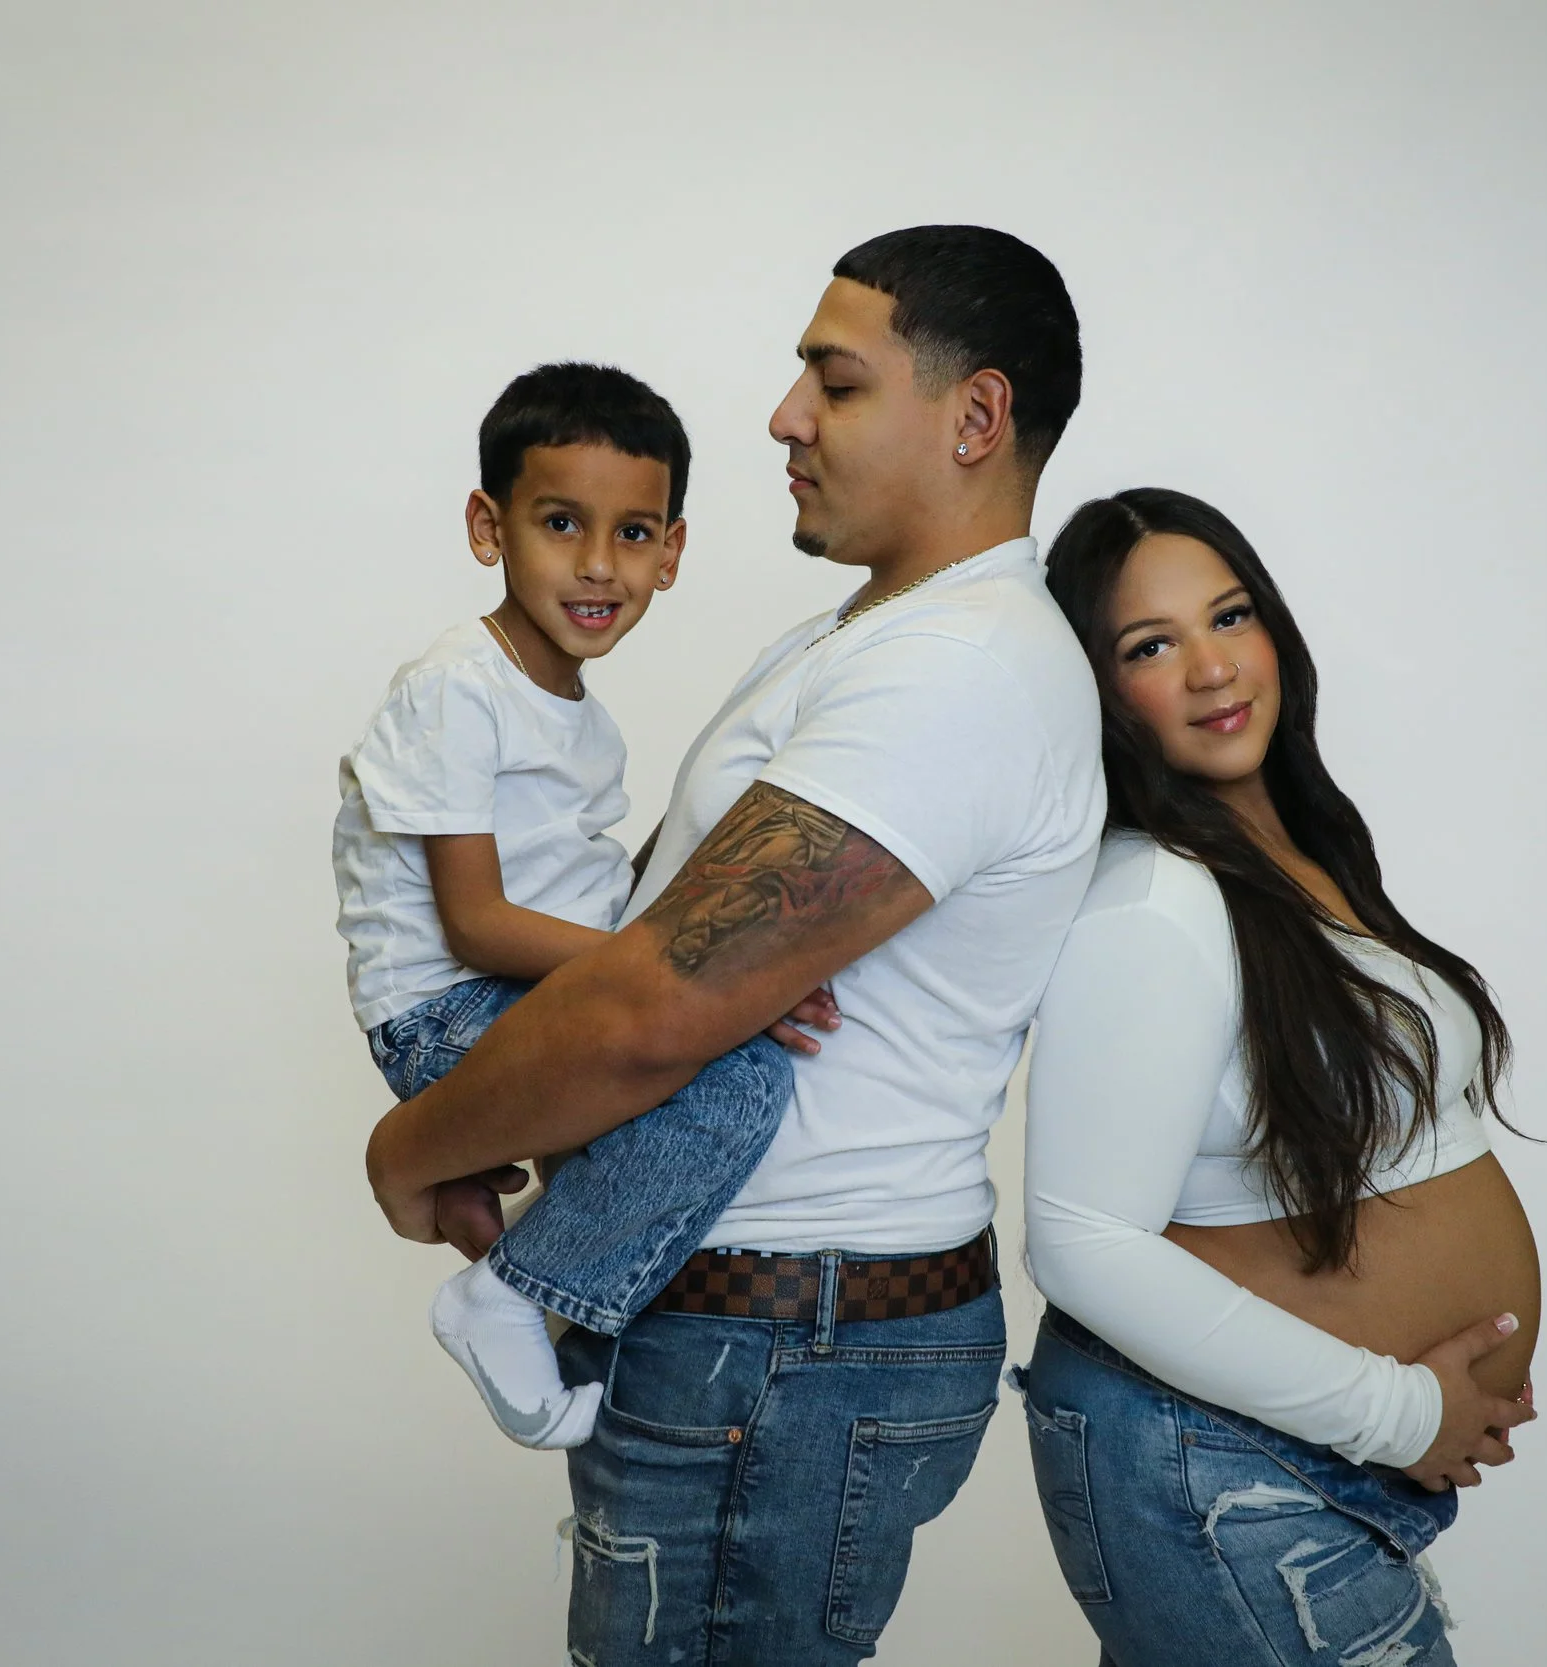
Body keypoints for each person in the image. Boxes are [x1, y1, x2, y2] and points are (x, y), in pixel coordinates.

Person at [364, 226, 1103, 1665]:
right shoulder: (870, 636)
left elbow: (653, 1001)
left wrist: (405, 1154)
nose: (782, 417)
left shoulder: (955, 671)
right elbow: (642, 926)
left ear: (975, 416)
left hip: (784, 1352)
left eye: (833, 381)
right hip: (751, 1341)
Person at [1018, 488, 1543, 1667]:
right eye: (1150, 645)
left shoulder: (1299, 856)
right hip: (1219, 1468)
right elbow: (1079, 1238)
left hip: (1257, 1468)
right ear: (1101, 695)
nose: (1210, 667)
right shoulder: (1155, 898)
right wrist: (1402, 1410)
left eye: (1230, 615)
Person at [333, 362, 838, 1450]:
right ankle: (509, 1297)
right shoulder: (458, 687)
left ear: (673, 550)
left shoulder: (579, 714)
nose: (599, 563)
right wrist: (704, 981)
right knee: (731, 1076)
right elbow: (476, 920)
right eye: (560, 522)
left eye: (634, 532)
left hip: (523, 987)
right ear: (488, 524)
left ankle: (517, 1246)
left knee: (695, 1069)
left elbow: (596, 897)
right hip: (448, 1004)